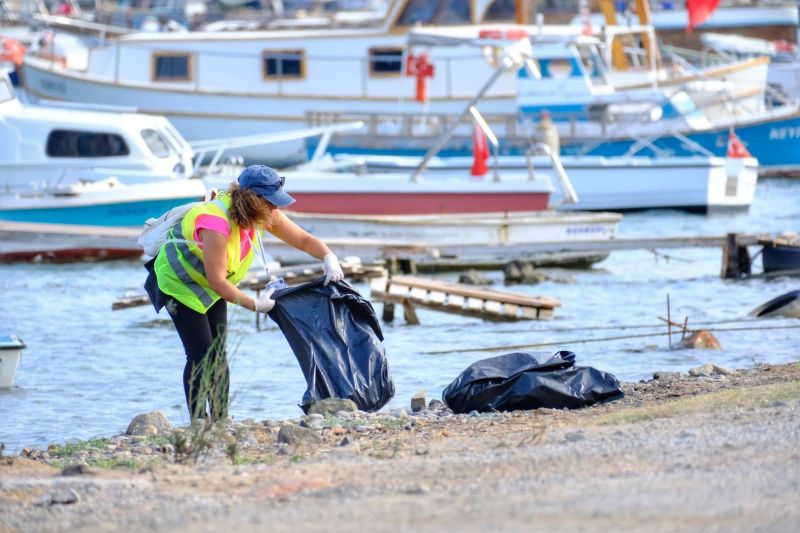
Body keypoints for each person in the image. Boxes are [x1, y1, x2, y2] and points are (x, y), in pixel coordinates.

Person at [144, 165, 344, 422]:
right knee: (200, 353)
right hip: (179, 283)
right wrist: (255, 304)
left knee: (218, 352)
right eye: (271, 203)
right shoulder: (216, 222)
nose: (276, 209)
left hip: (210, 284)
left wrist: (328, 257)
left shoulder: (260, 213)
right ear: (254, 199)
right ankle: (198, 422)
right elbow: (217, 280)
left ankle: (220, 419)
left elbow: (303, 240)